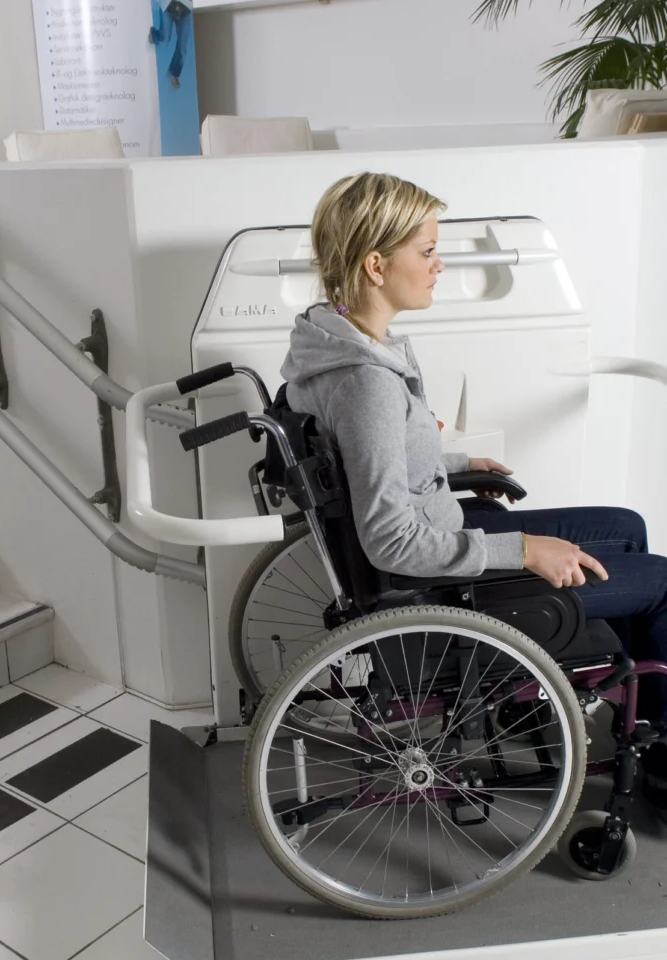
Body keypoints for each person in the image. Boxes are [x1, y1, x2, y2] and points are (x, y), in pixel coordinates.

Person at [281, 171, 667, 746]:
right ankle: (658, 747)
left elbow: (373, 453)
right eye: (428, 251)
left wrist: (452, 462)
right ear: (376, 266)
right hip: (435, 587)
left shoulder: (338, 339)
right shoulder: (366, 383)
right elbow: (390, 539)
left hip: (446, 537)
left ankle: (616, 696)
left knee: (626, 527)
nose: (439, 265)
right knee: (662, 581)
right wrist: (525, 550)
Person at [149, 0, 193, 89]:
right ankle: (154, 35)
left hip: (185, 10)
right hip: (169, 7)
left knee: (182, 49)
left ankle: (175, 73)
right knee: (165, 39)